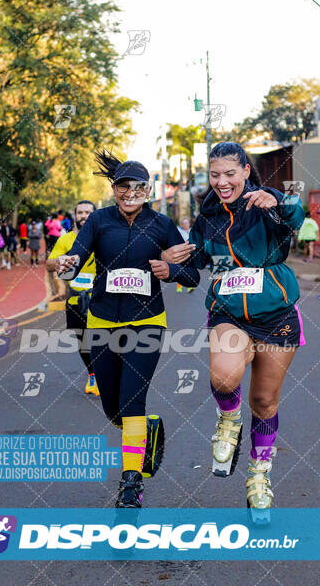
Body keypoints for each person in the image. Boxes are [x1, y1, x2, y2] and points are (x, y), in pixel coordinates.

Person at [162, 142, 305, 520]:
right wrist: (171, 265)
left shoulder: (267, 202)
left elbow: (297, 216)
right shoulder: (207, 214)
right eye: (214, 175)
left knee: (265, 402)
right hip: (228, 310)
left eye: (229, 173)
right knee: (225, 378)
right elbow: (195, 268)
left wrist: (278, 201)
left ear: (245, 170)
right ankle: (229, 420)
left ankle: (259, 475)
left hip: (276, 314)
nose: (221, 182)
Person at [56, 151, 200, 508]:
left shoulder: (162, 225)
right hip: (102, 321)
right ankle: (144, 432)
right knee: (113, 409)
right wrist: (67, 265)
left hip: (147, 322)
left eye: (138, 187)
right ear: (114, 188)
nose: (130, 192)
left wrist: (172, 272)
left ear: (148, 189)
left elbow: (193, 275)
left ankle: (131, 484)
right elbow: (74, 261)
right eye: (123, 186)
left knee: (133, 402)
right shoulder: (99, 221)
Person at [46, 200, 99, 396]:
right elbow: (49, 264)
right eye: (80, 212)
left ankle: (107, 374)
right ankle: (93, 374)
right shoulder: (66, 239)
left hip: (101, 298)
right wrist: (60, 260)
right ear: (75, 216)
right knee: (83, 340)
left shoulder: (103, 238)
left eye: (87, 212)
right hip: (76, 299)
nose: (83, 216)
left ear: (94, 215)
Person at [176, 217, 194, 293]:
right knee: (181, 270)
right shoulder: (179, 231)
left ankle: (190, 286)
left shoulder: (192, 231)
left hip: (191, 253)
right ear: (181, 225)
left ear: (189, 224)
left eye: (186, 223)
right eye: (184, 223)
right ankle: (179, 286)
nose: (185, 224)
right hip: (182, 253)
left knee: (191, 270)